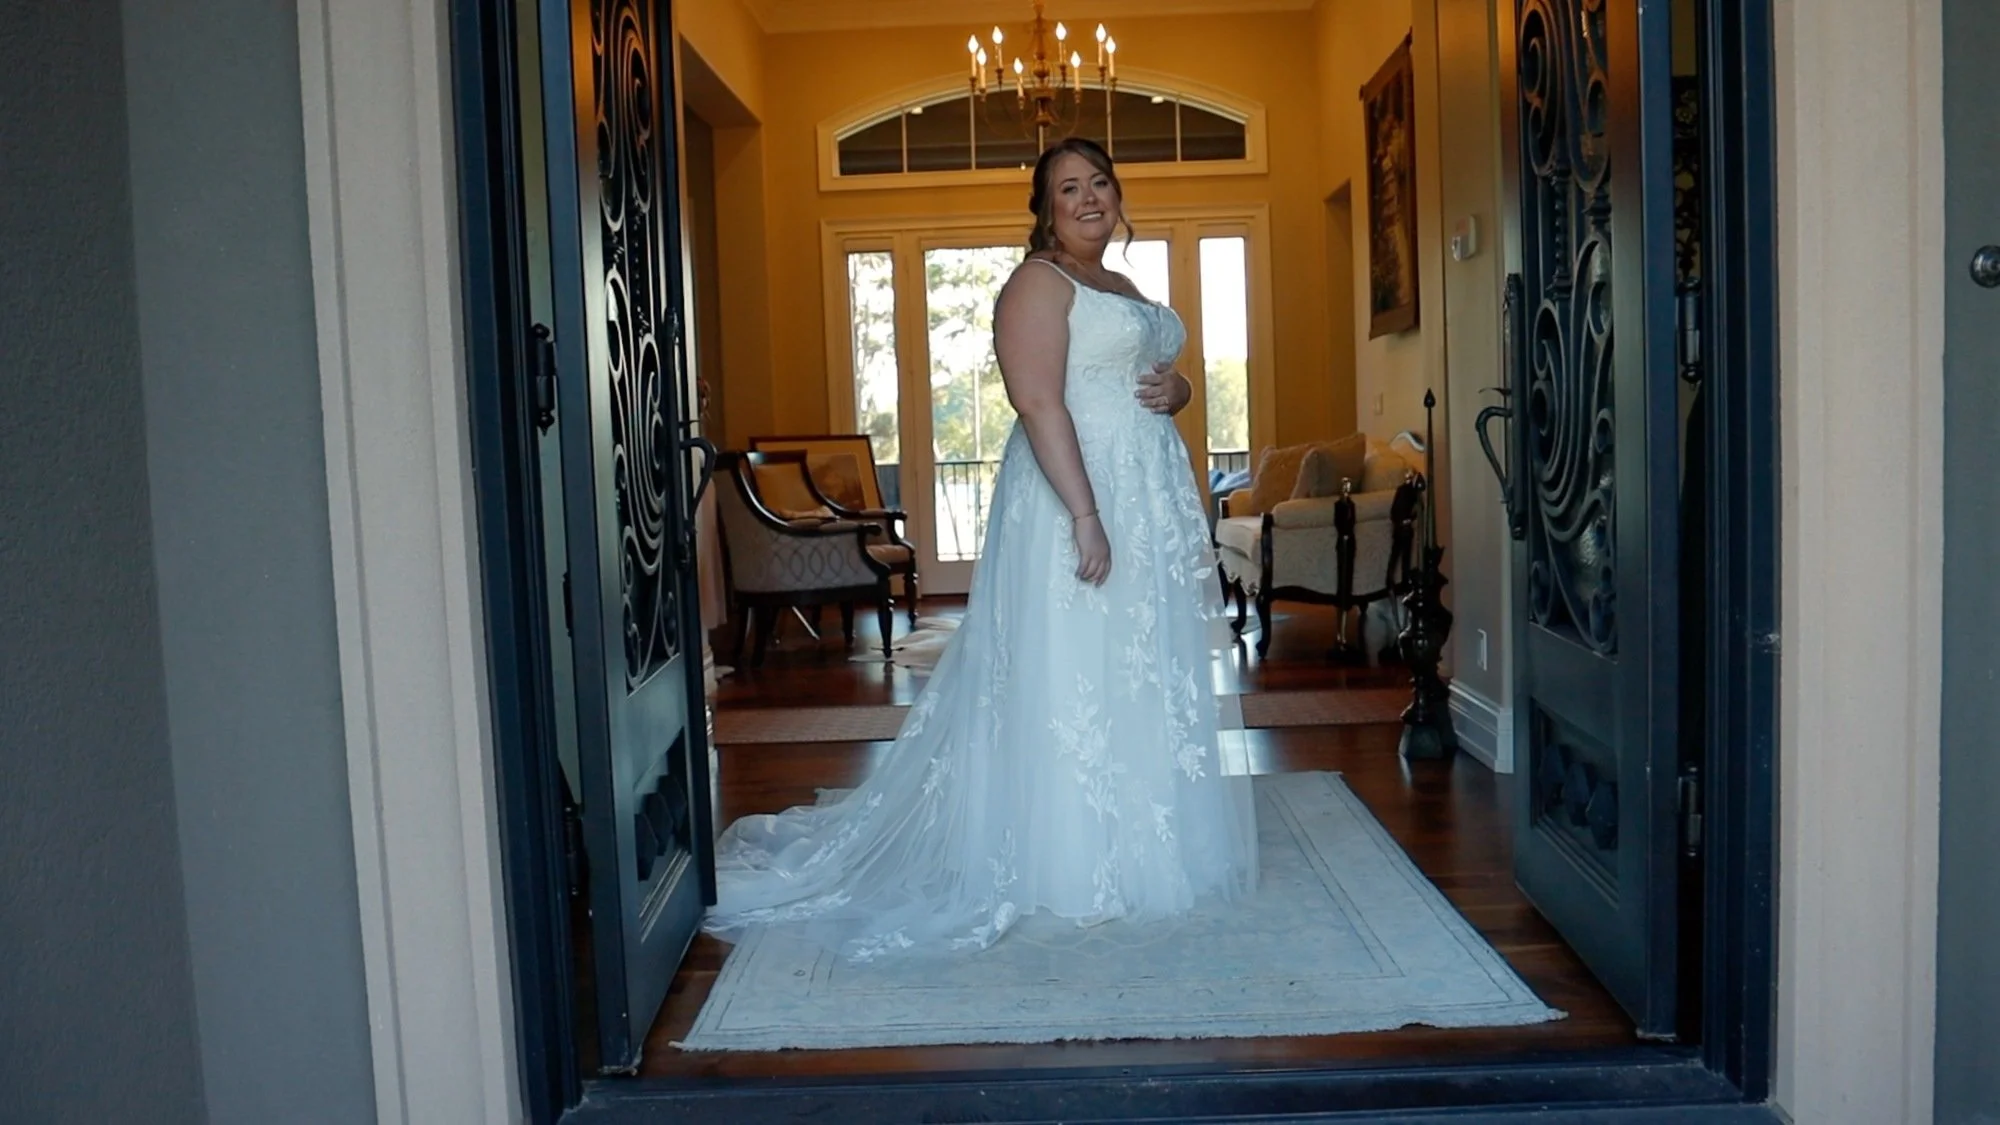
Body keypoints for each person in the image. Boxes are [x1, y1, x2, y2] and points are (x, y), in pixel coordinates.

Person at [703, 137, 1259, 961]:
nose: (1089, 199)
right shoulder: (1038, 283)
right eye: (1068, 189)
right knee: (1075, 663)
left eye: (1099, 182)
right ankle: (1069, 858)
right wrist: (1085, 514)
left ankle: (1141, 833)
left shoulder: (1121, 284)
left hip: (1142, 500)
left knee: (1135, 662)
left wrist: (1179, 387)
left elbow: (1146, 374)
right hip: (1075, 494)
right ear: (1045, 210)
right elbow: (1038, 402)